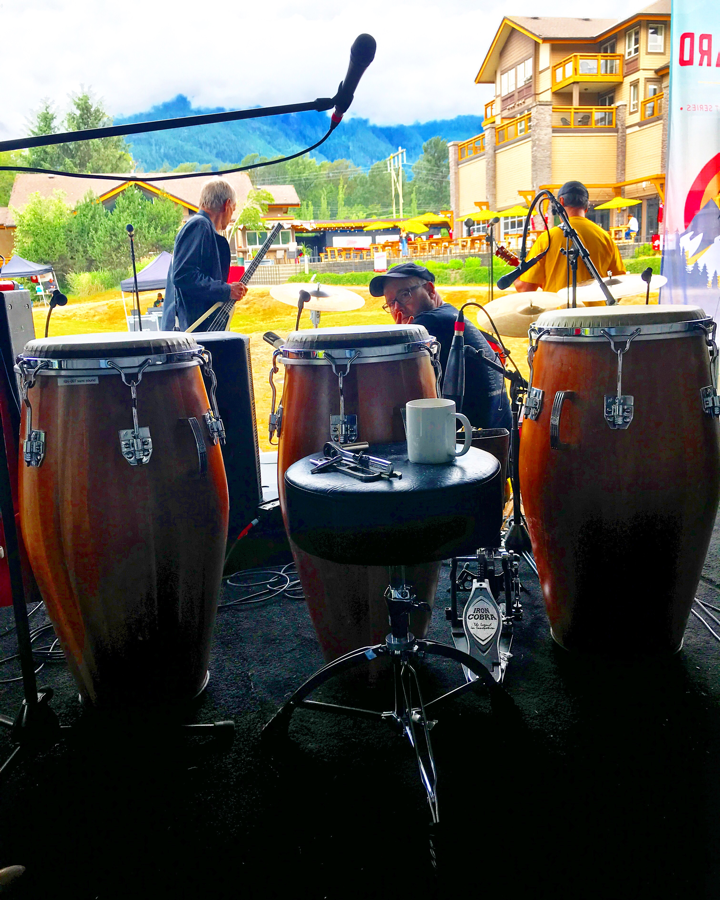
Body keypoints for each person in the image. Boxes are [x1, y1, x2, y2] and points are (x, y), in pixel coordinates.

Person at [370, 262, 512, 431]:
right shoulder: (449, 314)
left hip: (472, 440)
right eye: (391, 303)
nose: (398, 308)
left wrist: (401, 338)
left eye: (405, 295)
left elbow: (389, 383)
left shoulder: (431, 322)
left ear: (430, 290)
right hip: (496, 435)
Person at [161, 178, 248, 331]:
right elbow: (183, 275)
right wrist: (226, 290)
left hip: (194, 328)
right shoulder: (199, 225)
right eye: (233, 209)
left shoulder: (200, 226)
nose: (231, 217)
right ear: (227, 205)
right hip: (189, 331)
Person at [515, 180, 626, 294]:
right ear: (586, 206)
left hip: (560, 306)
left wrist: (517, 273)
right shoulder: (605, 237)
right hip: (597, 305)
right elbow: (620, 284)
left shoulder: (547, 238)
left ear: (561, 201)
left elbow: (525, 288)